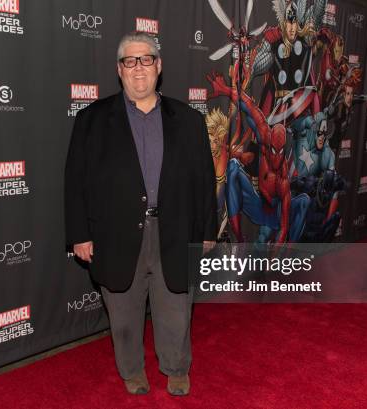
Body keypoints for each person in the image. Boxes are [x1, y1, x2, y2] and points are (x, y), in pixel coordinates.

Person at [64, 32, 217, 396]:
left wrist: (208, 230)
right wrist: (79, 235)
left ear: (159, 66)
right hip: (114, 234)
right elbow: (75, 182)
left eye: (146, 59)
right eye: (130, 61)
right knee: (124, 312)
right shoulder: (92, 120)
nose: (138, 69)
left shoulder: (189, 120)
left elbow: (204, 180)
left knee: (176, 308)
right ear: (119, 70)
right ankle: (132, 371)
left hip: (176, 230)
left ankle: (176, 367)